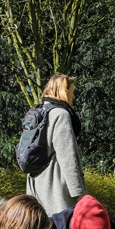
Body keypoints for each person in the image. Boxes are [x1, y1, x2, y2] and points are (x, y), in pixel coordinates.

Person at [26, 74, 86, 216]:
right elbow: (67, 157)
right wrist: (79, 192)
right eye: (72, 91)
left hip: (36, 183)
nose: (74, 96)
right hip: (56, 186)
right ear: (64, 91)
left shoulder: (40, 112)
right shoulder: (60, 114)